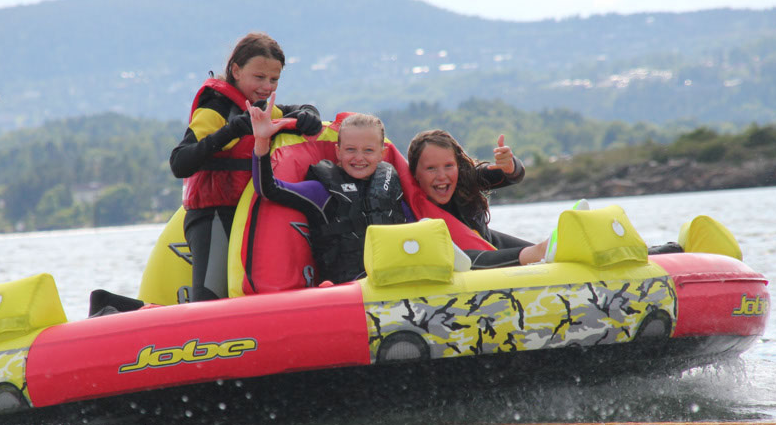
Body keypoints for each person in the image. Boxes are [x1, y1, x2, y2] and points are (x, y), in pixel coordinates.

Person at [169, 32, 322, 301]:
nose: (267, 86)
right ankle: (114, 307)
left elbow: (293, 109)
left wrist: (309, 113)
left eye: (274, 79)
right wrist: (230, 131)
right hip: (213, 218)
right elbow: (179, 163)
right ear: (236, 71)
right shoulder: (214, 109)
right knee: (211, 301)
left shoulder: (261, 109)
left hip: (252, 218)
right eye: (259, 77)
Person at [249, 103, 411, 285]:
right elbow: (269, 188)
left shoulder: (391, 189)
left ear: (382, 154)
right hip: (345, 291)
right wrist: (262, 140)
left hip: (395, 284)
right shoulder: (321, 192)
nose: (359, 157)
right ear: (338, 152)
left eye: (368, 150)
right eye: (350, 149)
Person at [407, 129, 552, 266]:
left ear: (458, 166)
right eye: (431, 168)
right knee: (462, 257)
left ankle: (543, 251)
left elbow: (512, 175)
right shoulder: (406, 205)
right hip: (461, 258)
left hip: (488, 243)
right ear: (414, 173)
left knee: (549, 255)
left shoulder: (466, 179)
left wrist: (510, 166)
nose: (442, 176)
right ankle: (535, 252)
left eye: (449, 166)